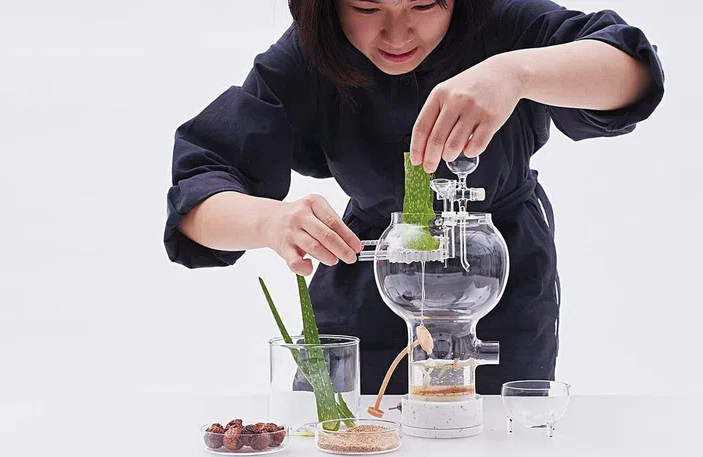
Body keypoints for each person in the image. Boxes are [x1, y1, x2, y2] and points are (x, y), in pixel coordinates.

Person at [164, 0, 664, 395]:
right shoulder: (308, 55)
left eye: (424, 5)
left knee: (497, 449)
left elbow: (632, 73)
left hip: (503, 287)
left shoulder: (504, 20)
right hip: (365, 285)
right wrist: (270, 222)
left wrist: (516, 73)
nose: (397, 34)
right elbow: (197, 196)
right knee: (342, 442)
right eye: (367, 8)